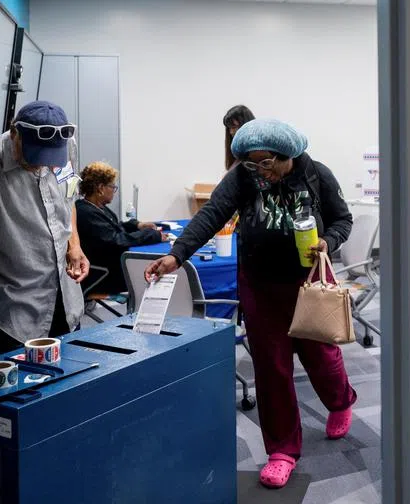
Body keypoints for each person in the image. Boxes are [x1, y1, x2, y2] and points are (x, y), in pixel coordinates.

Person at [145, 119, 356, 489]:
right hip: (260, 285)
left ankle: (341, 401)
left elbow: (343, 220)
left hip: (308, 284)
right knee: (271, 368)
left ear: (287, 155)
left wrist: (328, 241)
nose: (261, 171)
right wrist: (177, 256)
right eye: (252, 162)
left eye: (267, 162)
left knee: (320, 356)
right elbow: (211, 216)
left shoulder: (316, 174)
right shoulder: (243, 177)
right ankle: (282, 451)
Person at [0, 101, 90, 370]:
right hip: (13, 314)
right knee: (16, 400)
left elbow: (68, 197)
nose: (41, 166)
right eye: (34, 157)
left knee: (69, 387)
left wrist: (74, 244)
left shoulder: (66, 148)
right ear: (15, 134)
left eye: (50, 159)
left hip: (65, 300)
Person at [75, 161, 168, 294]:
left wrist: (137, 225)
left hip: (108, 269)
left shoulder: (94, 207)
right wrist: (151, 234)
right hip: (104, 276)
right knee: (152, 271)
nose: (114, 190)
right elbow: (116, 239)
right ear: (101, 188)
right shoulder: (86, 213)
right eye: (112, 186)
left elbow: (115, 227)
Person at [223, 104, 255, 171]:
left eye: (234, 127)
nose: (231, 132)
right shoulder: (237, 158)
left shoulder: (254, 157)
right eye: (229, 128)